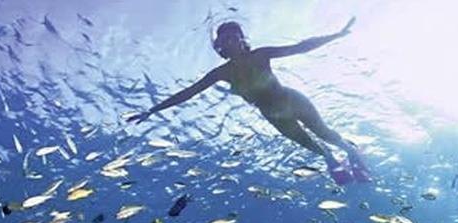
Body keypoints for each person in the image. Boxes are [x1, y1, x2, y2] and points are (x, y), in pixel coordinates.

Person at [127, 17, 370, 184]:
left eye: (234, 36)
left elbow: (300, 47)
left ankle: (351, 152)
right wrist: (153, 109)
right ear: (219, 46)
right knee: (311, 145)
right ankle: (332, 160)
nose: (231, 41)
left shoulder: (261, 54)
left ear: (243, 39)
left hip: (293, 100)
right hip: (273, 114)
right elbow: (188, 93)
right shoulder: (221, 73)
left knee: (325, 133)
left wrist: (336, 35)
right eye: (225, 39)